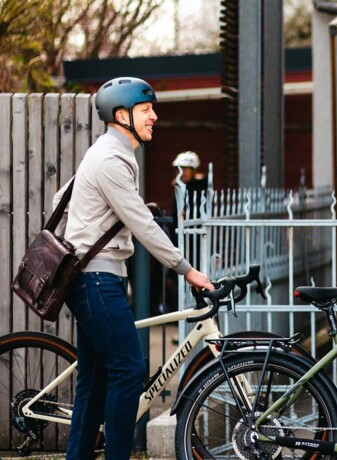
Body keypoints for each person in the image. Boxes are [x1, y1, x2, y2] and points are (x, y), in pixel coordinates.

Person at [53, 76, 215, 460]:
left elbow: (63, 200)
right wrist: (187, 269)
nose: (154, 117)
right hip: (96, 281)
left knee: (95, 382)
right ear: (121, 115)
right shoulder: (111, 158)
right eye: (146, 110)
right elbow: (142, 223)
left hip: (93, 277)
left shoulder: (108, 152)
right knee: (127, 371)